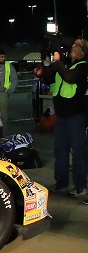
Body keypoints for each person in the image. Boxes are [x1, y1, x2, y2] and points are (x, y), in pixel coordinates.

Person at [41, 39, 88, 198]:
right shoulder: (65, 65)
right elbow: (47, 79)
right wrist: (48, 63)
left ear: (83, 52)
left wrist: (58, 62)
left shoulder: (83, 66)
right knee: (60, 151)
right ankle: (61, 183)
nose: (73, 47)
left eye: (78, 47)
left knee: (78, 153)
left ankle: (80, 186)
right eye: (73, 46)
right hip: (61, 117)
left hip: (76, 117)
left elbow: (69, 78)